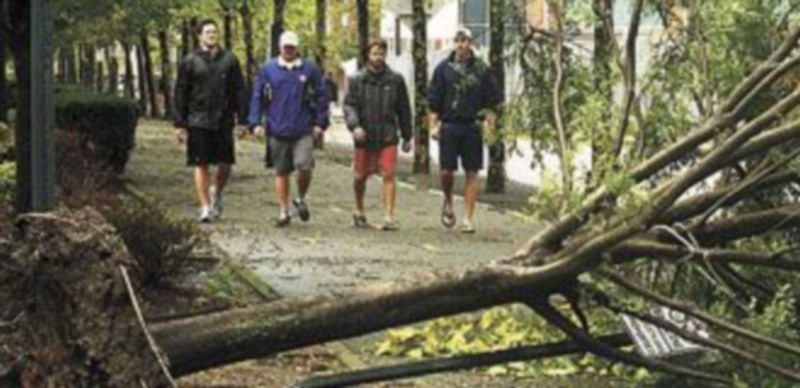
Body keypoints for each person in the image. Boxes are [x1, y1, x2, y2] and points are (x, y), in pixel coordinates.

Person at [249, 31, 330, 227]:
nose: (288, 50)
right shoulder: (268, 69)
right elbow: (258, 96)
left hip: (303, 128)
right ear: (280, 47)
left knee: (305, 166)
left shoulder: (309, 69)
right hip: (277, 128)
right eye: (286, 47)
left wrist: (320, 123)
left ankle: (300, 198)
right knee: (282, 171)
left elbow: (322, 96)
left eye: (292, 47)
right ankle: (283, 211)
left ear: (297, 48)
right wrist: (255, 122)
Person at [173, 18, 248, 223]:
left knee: (225, 164)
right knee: (201, 164)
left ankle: (217, 191)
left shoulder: (230, 60)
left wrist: (242, 119)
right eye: (208, 32)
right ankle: (205, 206)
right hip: (197, 119)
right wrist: (180, 123)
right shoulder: (189, 61)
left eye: (215, 32)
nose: (212, 35)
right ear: (199, 36)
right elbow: (181, 92)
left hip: (223, 119)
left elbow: (240, 90)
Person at [427, 27, 501, 233]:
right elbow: (434, 101)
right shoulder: (443, 69)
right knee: (446, 171)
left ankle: (468, 218)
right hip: (449, 125)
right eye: (458, 40)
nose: (462, 44)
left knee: (472, 172)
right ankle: (449, 199)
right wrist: (433, 126)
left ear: (470, 43)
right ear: (454, 43)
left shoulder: (481, 70)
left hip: (472, 126)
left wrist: (490, 127)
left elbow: (491, 101)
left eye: (465, 40)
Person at [344, 38, 412, 230]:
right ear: (368, 55)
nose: (378, 57)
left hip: (388, 135)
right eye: (374, 53)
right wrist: (355, 126)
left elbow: (403, 109)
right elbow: (349, 105)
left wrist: (407, 135)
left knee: (389, 174)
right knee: (360, 176)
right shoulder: (358, 79)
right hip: (364, 136)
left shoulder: (396, 80)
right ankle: (359, 209)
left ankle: (389, 216)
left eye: (381, 54)